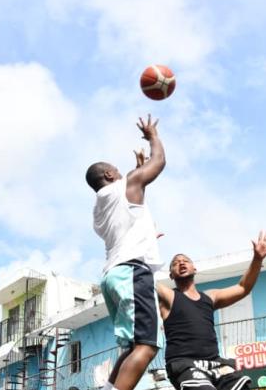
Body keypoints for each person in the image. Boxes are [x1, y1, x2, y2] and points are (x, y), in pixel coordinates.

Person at [86, 114, 165, 390]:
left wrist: (134, 171)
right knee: (147, 346)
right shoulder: (124, 186)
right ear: (109, 175)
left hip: (113, 276)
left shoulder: (99, 208)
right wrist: (152, 135)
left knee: (131, 346)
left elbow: (130, 209)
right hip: (132, 272)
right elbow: (159, 164)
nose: (123, 174)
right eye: (117, 171)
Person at [157, 231, 266, 390]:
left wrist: (257, 259)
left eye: (185, 260)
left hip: (215, 364)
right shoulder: (168, 297)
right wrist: (144, 247)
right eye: (175, 263)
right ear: (171, 274)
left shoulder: (210, 297)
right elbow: (143, 278)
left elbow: (243, 288)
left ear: (195, 269)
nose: (181, 263)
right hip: (184, 364)